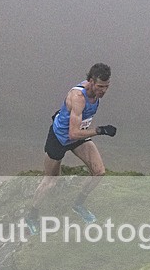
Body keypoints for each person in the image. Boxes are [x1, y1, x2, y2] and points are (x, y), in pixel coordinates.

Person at [26, 63, 117, 234]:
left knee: (99, 172)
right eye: (100, 87)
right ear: (90, 82)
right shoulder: (78, 97)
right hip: (60, 138)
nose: (103, 91)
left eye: (106, 87)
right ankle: (32, 215)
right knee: (51, 181)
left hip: (78, 136)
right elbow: (73, 133)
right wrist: (100, 130)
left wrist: (91, 130)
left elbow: (78, 130)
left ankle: (78, 205)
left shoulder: (96, 94)